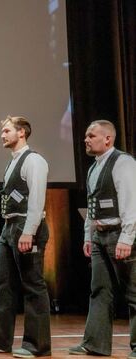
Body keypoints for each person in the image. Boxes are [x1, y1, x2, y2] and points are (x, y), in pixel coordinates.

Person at [0, 116, 51, 358]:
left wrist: (29, 231)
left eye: (7, 130)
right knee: (4, 282)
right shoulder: (13, 162)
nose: (2, 135)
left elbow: (37, 199)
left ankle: (37, 346)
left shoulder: (34, 161)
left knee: (33, 285)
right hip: (9, 227)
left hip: (25, 225)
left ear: (22, 133)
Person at [69, 120, 136, 358]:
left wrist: (127, 239)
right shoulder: (93, 167)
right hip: (99, 235)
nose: (86, 140)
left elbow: (131, 202)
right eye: (86, 136)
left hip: (119, 233)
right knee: (99, 290)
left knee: (133, 292)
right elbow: (92, 204)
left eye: (91, 135)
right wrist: (88, 236)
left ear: (108, 138)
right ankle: (95, 343)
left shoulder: (123, 162)